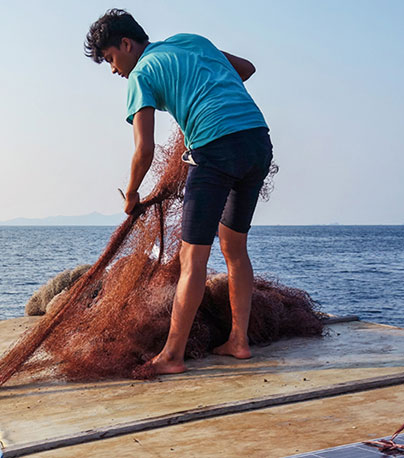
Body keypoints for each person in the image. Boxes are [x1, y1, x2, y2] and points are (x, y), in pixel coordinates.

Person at [85, 9, 274, 374]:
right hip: (257, 142)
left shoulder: (140, 74)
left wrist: (132, 193)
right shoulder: (190, 40)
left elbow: (144, 150)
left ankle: (171, 356)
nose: (112, 69)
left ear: (126, 44)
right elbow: (246, 68)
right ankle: (239, 341)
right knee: (234, 247)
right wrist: (204, 91)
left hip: (215, 149)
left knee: (193, 259)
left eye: (110, 58)